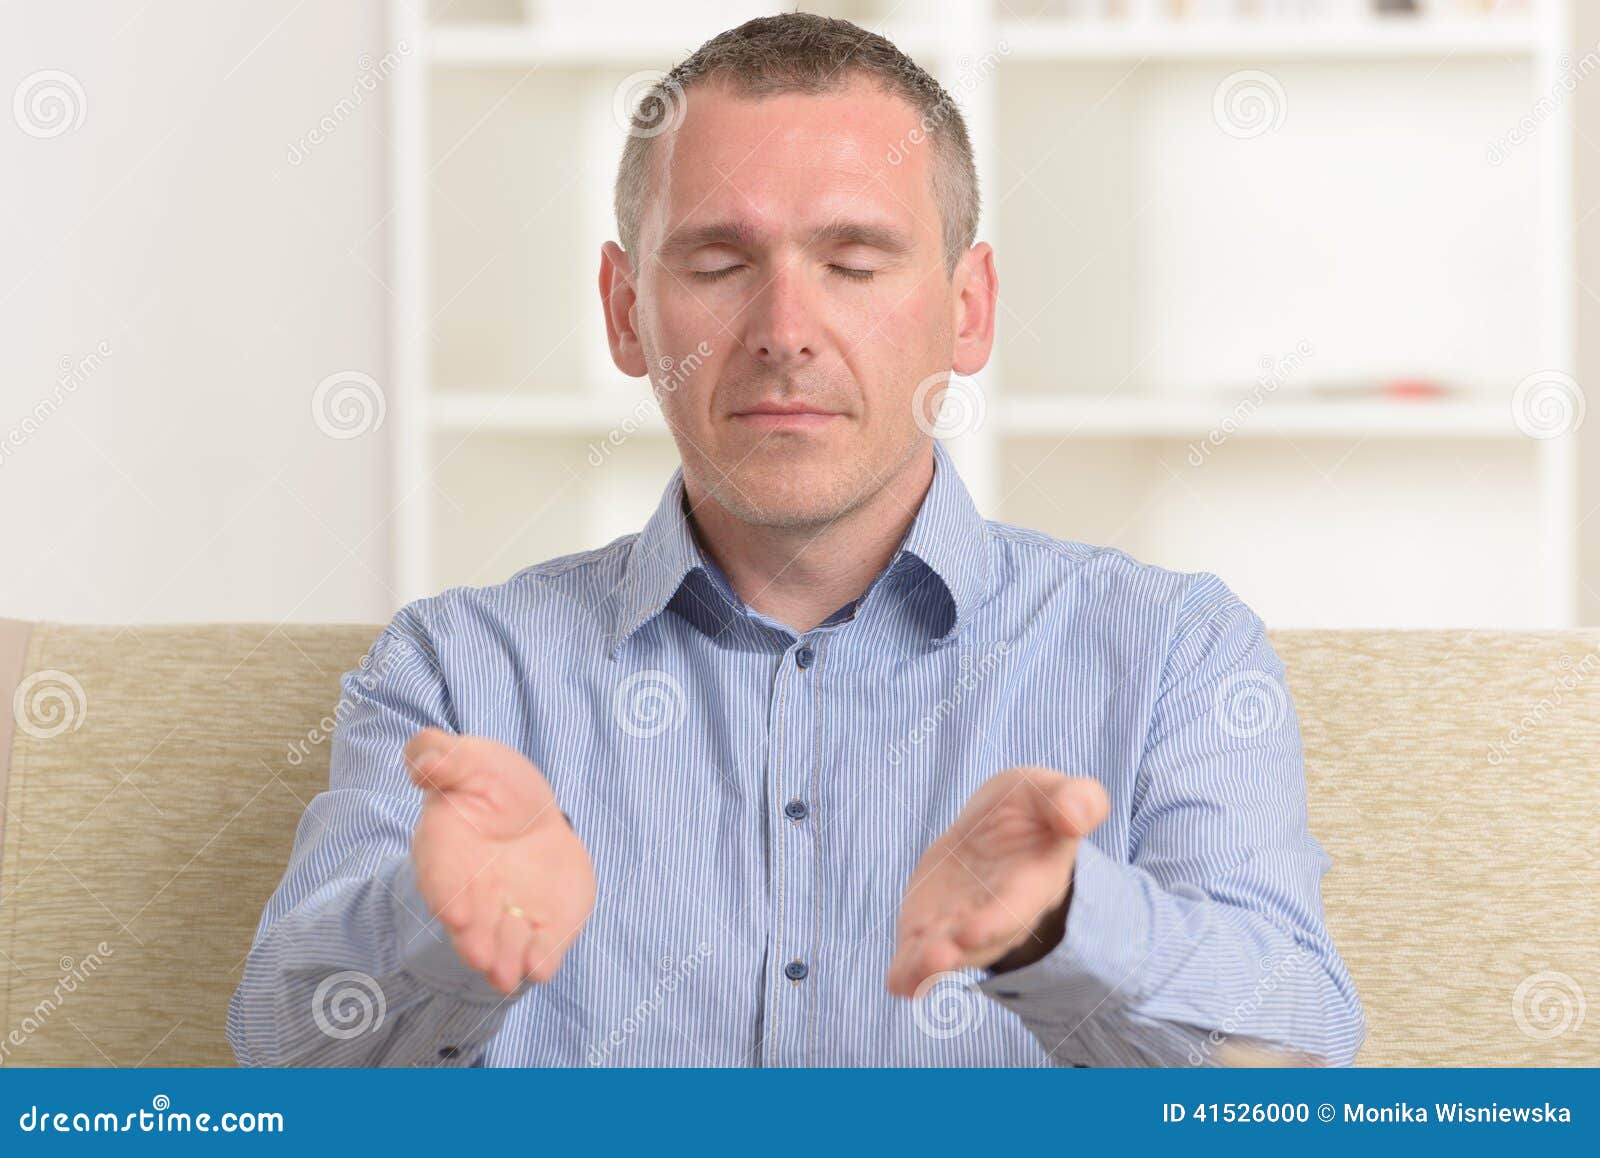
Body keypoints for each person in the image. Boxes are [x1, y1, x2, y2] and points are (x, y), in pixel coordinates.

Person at [228, 12, 1364, 1067]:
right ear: (625, 312)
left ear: (968, 309)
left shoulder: (1170, 651)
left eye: (854, 264)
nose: (784, 331)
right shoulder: (456, 670)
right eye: (719, 264)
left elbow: (1299, 1053)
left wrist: (1070, 929)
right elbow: (278, 1055)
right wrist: (433, 931)